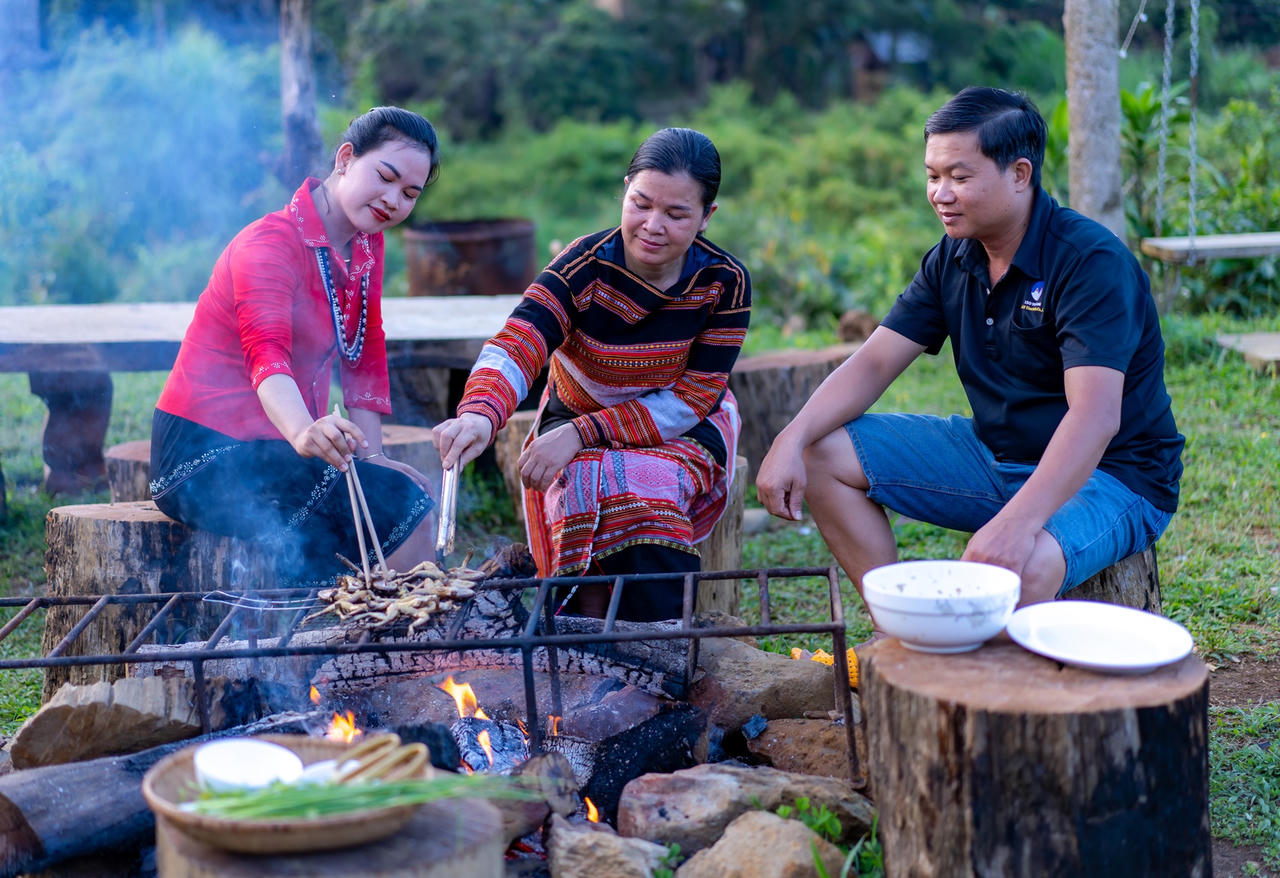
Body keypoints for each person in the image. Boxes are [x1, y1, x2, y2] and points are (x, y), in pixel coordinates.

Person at [756, 87, 1184, 625]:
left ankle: (1000, 700)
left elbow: (1095, 417)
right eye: (933, 176)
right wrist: (790, 437)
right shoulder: (953, 258)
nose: (940, 193)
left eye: (959, 177)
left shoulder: (1089, 263)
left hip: (1115, 473)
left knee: (1017, 570)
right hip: (994, 456)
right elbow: (874, 362)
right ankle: (901, 632)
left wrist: (1016, 524)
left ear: (1020, 174)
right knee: (819, 454)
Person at [433, 127, 751, 621]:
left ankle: (658, 643)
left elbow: (694, 397)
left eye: (676, 213)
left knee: (644, 483)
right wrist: (478, 416)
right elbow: (521, 341)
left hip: (685, 422)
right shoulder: (583, 268)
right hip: (577, 407)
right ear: (624, 190)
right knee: (580, 480)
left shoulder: (723, 284)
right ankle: (585, 636)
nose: (652, 225)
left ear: (707, 217)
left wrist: (585, 434)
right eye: (640, 203)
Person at [150, 106, 440, 583]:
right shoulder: (268, 243)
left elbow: (364, 352)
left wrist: (374, 457)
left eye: (410, 194)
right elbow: (266, 353)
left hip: (280, 444)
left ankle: (398, 637)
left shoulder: (366, 245)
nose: (393, 200)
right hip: (204, 455)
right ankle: (407, 641)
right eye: (385, 177)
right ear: (345, 158)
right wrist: (305, 430)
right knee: (401, 506)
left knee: (399, 495)